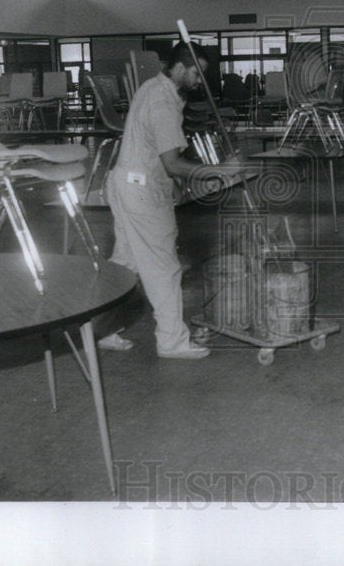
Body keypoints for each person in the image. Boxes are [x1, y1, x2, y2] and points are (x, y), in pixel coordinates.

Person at [98, 41, 243, 358]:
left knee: (126, 262)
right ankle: (172, 341)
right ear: (180, 67)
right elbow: (172, 162)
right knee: (164, 267)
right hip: (141, 191)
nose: (198, 82)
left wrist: (174, 182)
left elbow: (162, 154)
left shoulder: (152, 88)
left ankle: (103, 328)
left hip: (125, 183)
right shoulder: (162, 102)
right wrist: (221, 171)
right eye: (196, 74)